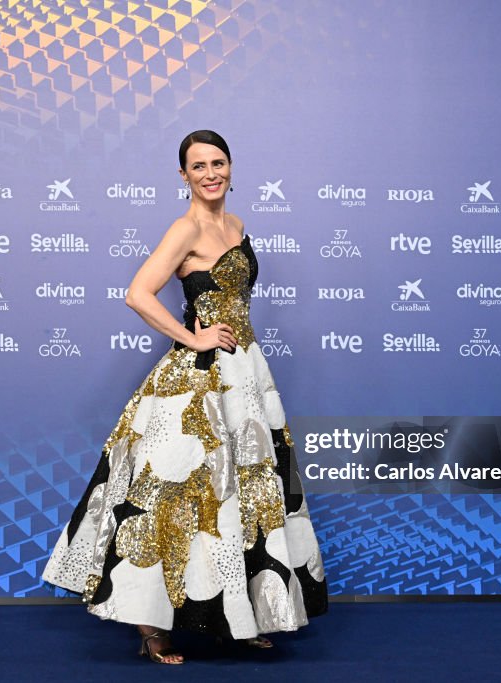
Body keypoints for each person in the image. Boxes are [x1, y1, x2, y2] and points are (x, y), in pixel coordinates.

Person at [42, 130, 327, 664]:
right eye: (198, 166)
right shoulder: (186, 227)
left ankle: (235, 618)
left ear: (232, 167)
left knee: (241, 494)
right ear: (183, 176)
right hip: (197, 378)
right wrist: (193, 336)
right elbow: (138, 292)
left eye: (218, 163)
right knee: (170, 494)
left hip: (245, 375)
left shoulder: (236, 225)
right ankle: (152, 628)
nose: (210, 173)